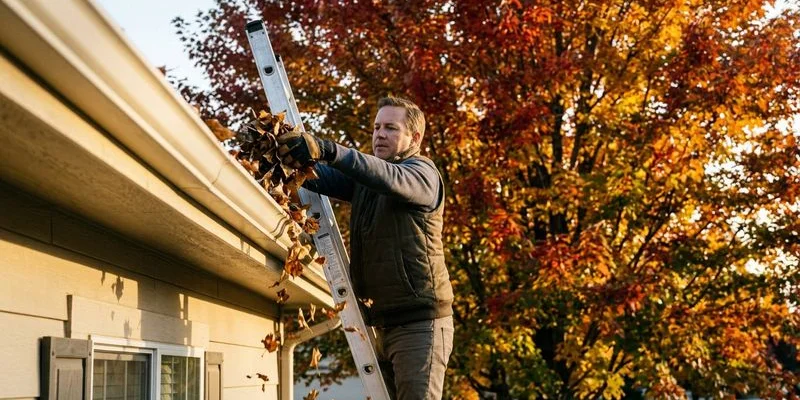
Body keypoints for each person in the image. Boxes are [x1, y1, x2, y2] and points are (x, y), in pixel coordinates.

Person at [277, 96, 454, 400]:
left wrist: (328, 149)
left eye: (390, 128)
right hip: (381, 323)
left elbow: (387, 177)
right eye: (376, 127)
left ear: (415, 137)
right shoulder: (368, 181)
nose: (379, 134)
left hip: (419, 325)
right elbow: (319, 178)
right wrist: (282, 157)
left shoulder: (422, 175)